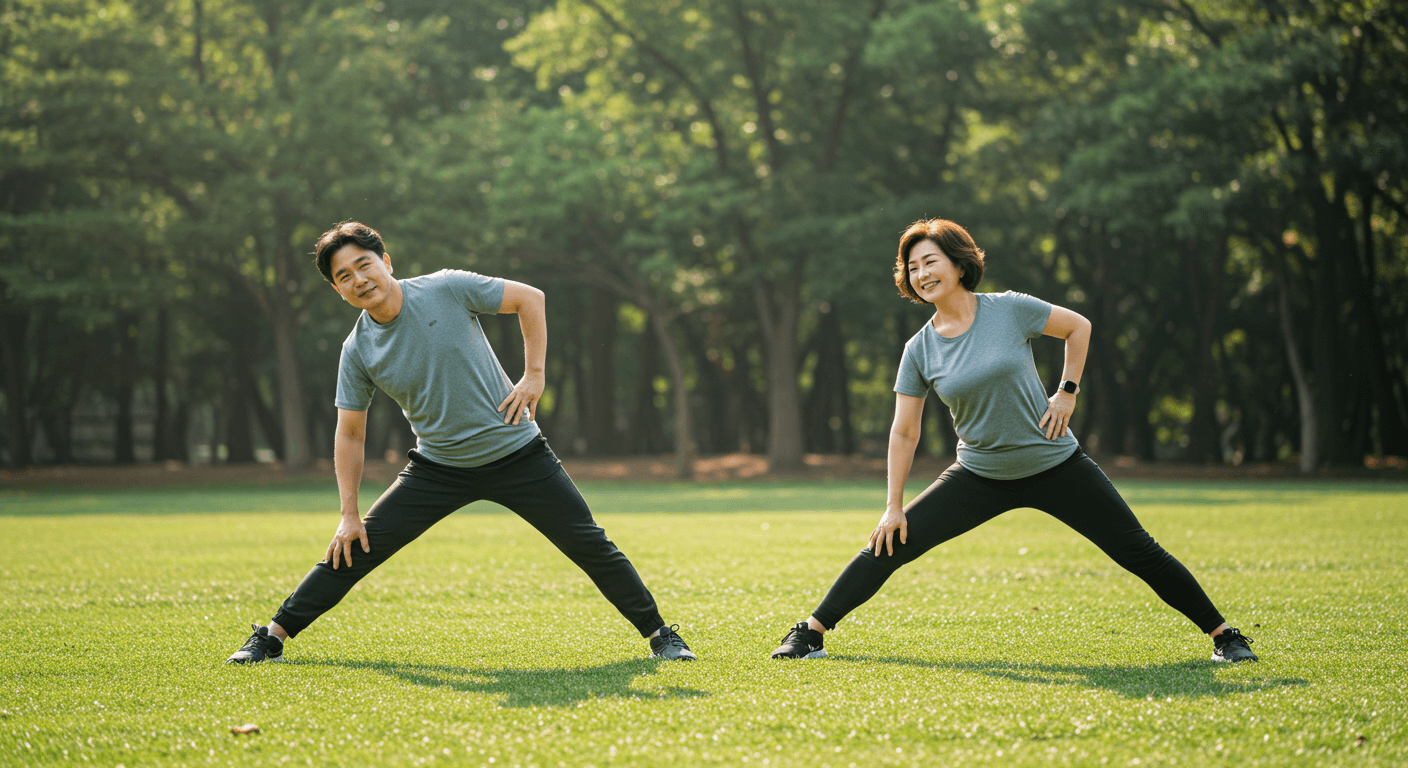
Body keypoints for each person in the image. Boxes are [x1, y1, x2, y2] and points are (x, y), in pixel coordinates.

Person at [770, 218, 1256, 663]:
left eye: (930, 261)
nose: (921, 273)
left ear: (959, 264)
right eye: (912, 267)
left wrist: (1067, 392)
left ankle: (1226, 637)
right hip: (979, 475)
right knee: (889, 543)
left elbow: (1078, 327)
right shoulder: (918, 349)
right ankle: (809, 633)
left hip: (1055, 465)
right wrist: (893, 505)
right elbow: (904, 430)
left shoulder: (1008, 310)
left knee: (1138, 550)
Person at [227, 221, 695, 663]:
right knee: (354, 545)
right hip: (438, 469)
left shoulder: (445, 287)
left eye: (364, 264)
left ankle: (660, 636)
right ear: (337, 289)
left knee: (589, 543)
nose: (359, 280)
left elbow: (530, 298)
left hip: (518, 454)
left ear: (385, 260)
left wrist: (534, 376)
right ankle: (271, 637)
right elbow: (350, 433)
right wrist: (348, 513)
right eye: (344, 276)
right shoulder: (357, 351)